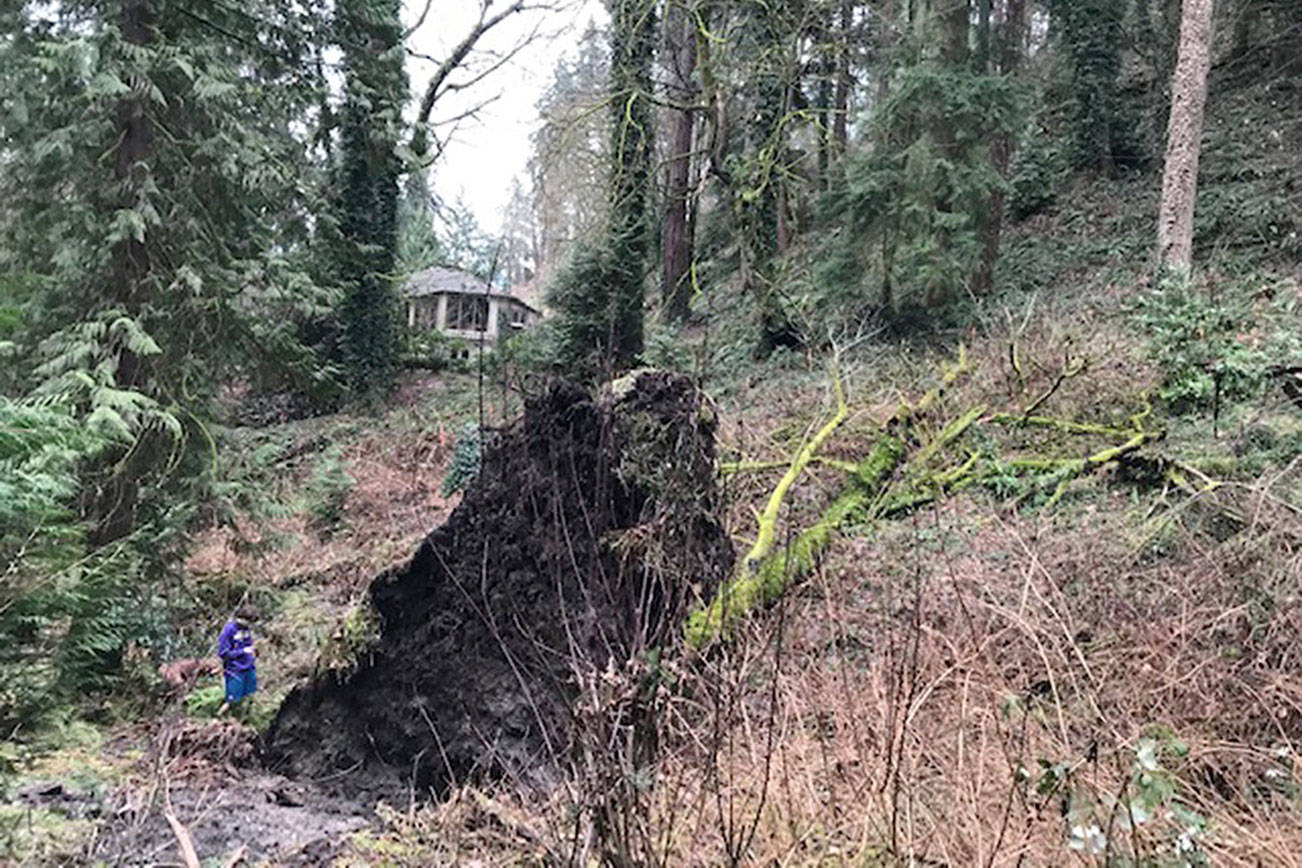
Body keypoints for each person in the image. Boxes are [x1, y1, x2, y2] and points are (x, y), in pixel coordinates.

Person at [217, 606, 258, 715]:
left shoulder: (246, 629)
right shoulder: (229, 630)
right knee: (232, 700)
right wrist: (243, 651)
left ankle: (245, 719)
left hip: (249, 667)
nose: (250, 625)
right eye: (249, 621)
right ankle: (217, 719)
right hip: (235, 670)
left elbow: (249, 645)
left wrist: (253, 653)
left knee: (250, 696)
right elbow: (223, 653)